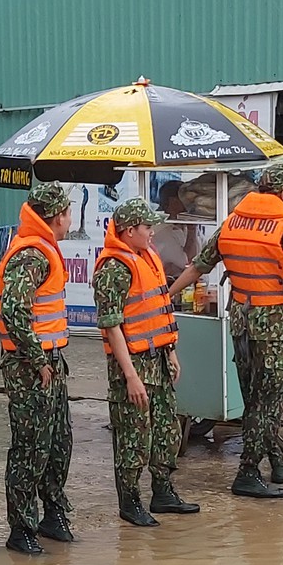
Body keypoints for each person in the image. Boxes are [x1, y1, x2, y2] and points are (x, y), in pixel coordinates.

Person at [167, 162, 283, 500]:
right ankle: (248, 473)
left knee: (253, 397)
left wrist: (168, 296)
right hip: (270, 324)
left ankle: (276, 461)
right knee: (265, 401)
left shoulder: (233, 222)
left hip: (239, 318)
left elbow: (199, 265)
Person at [94, 197, 199, 527]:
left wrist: (171, 351)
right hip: (135, 366)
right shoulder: (113, 269)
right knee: (133, 436)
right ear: (128, 232)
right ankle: (129, 501)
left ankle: (163, 491)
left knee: (166, 430)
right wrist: (130, 376)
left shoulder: (147, 258)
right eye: (146, 227)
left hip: (159, 361)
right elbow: (112, 326)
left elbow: (158, 313)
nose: (152, 232)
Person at [0, 181, 77, 555]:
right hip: (30, 365)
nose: (70, 219)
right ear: (58, 216)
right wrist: (39, 359)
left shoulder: (45, 248)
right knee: (30, 447)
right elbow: (14, 312)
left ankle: (52, 513)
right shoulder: (30, 255)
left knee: (58, 442)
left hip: (50, 361)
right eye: (68, 212)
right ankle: (21, 527)